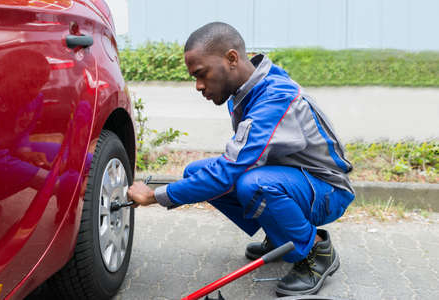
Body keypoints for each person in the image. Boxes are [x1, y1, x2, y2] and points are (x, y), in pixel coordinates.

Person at [127, 22, 355, 297]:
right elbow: (237, 163)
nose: (198, 86)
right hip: (296, 178)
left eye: (201, 74)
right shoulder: (247, 90)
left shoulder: (274, 97)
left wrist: (155, 196)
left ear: (232, 59)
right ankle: (280, 235)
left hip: (327, 190)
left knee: (252, 184)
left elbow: (230, 172)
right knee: (196, 172)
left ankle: (316, 251)